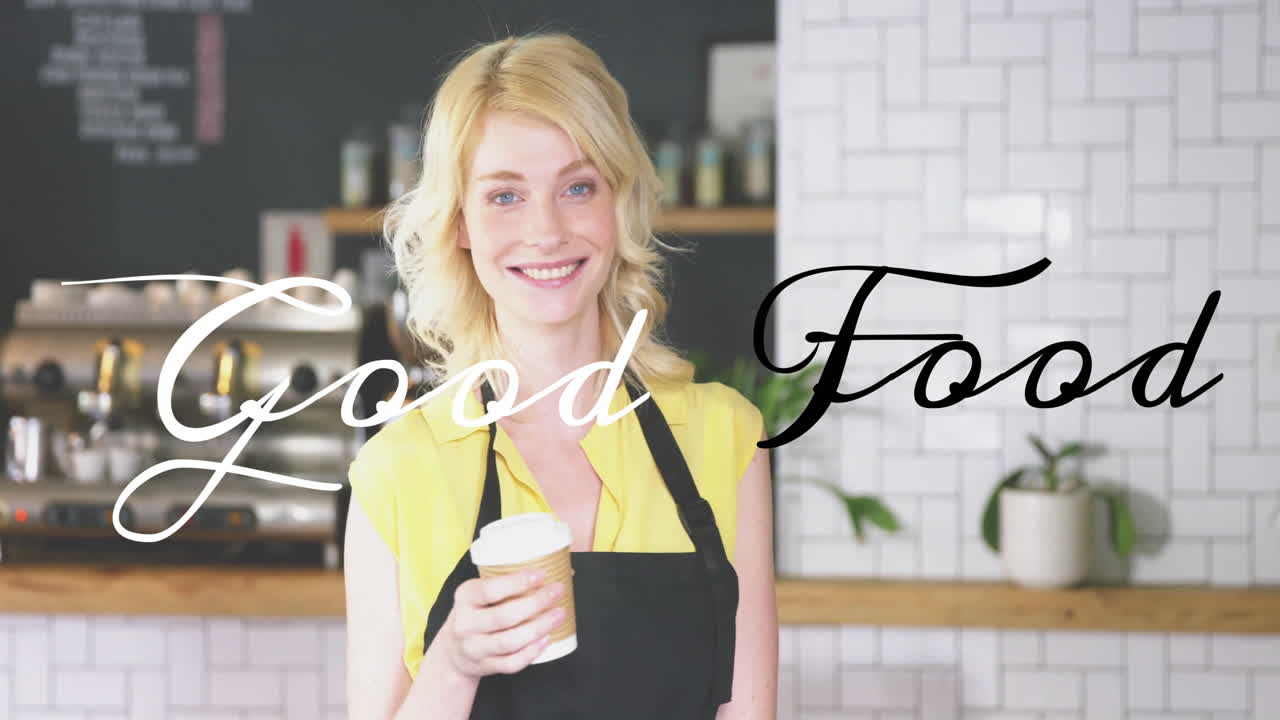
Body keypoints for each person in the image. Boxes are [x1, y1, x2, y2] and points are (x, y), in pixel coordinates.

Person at [343, 31, 777, 720]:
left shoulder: (723, 437)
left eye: (577, 187)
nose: (546, 231)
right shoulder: (399, 472)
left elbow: (746, 712)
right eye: (504, 197)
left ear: (618, 201)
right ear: (459, 222)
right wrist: (454, 662)